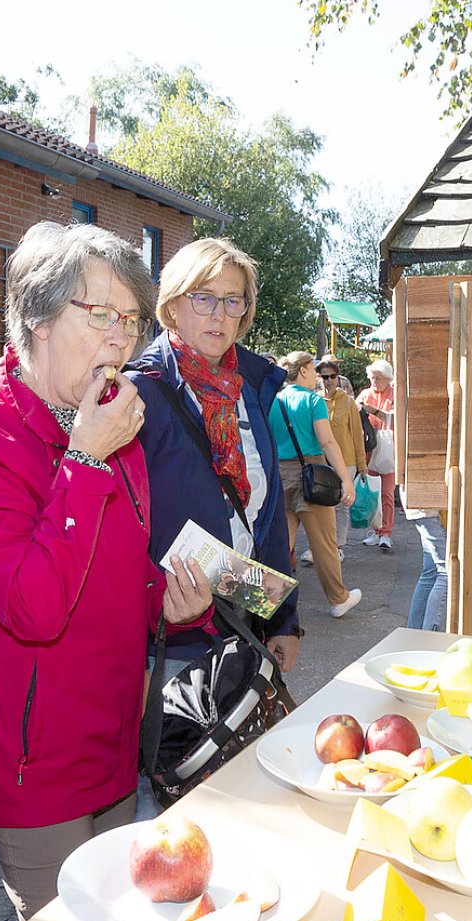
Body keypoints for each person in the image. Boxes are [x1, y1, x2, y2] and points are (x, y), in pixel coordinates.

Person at [0, 222, 211, 921]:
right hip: (33, 761)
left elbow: (109, 573)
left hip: (113, 739)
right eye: (100, 315)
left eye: (130, 320)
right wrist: (87, 459)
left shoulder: (105, 428)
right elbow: (33, 605)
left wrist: (167, 601)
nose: (120, 339)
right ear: (36, 317)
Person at [127, 237, 303, 675]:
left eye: (232, 301)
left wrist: (282, 620)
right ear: (172, 306)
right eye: (203, 298)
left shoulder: (253, 388)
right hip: (171, 640)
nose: (219, 314)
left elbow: (267, 515)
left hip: (243, 625)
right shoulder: (138, 394)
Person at [274, 352, 361, 618]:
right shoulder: (313, 400)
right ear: (302, 371)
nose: (317, 376)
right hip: (310, 474)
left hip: (279, 473)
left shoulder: (273, 400)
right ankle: (338, 598)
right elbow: (327, 442)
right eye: (313, 369)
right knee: (325, 543)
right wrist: (346, 479)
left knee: (280, 544)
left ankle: (266, 600)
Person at [300, 357, 366, 566]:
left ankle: (337, 547)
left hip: (345, 459)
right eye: (324, 376)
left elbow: (357, 434)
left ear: (338, 378)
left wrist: (362, 464)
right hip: (320, 459)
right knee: (318, 504)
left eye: (332, 376)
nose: (328, 380)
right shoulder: (314, 400)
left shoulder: (347, 402)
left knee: (341, 504)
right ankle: (318, 546)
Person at [356, 359, 396, 551]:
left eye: (378, 378)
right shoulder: (365, 394)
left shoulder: (394, 394)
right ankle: (375, 530)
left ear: (388, 379)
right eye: (372, 377)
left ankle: (386, 532)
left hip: (389, 449)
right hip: (368, 449)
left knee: (387, 493)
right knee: (370, 493)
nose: (374, 381)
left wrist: (374, 411)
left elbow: (393, 417)